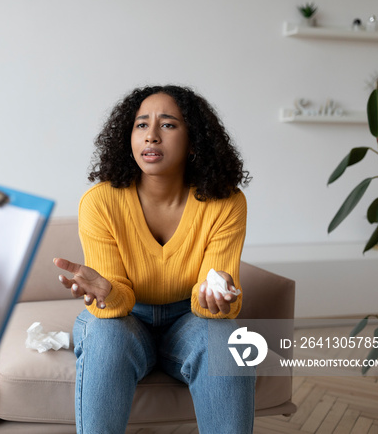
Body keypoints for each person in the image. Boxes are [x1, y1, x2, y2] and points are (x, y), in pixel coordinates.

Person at [54, 85, 255, 433]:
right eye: (141, 125)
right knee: (105, 335)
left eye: (168, 125)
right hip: (125, 317)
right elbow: (117, 300)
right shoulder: (100, 202)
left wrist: (217, 297)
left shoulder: (226, 202)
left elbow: (219, 303)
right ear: (128, 138)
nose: (151, 136)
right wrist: (106, 291)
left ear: (194, 142)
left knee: (225, 340)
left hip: (190, 319)